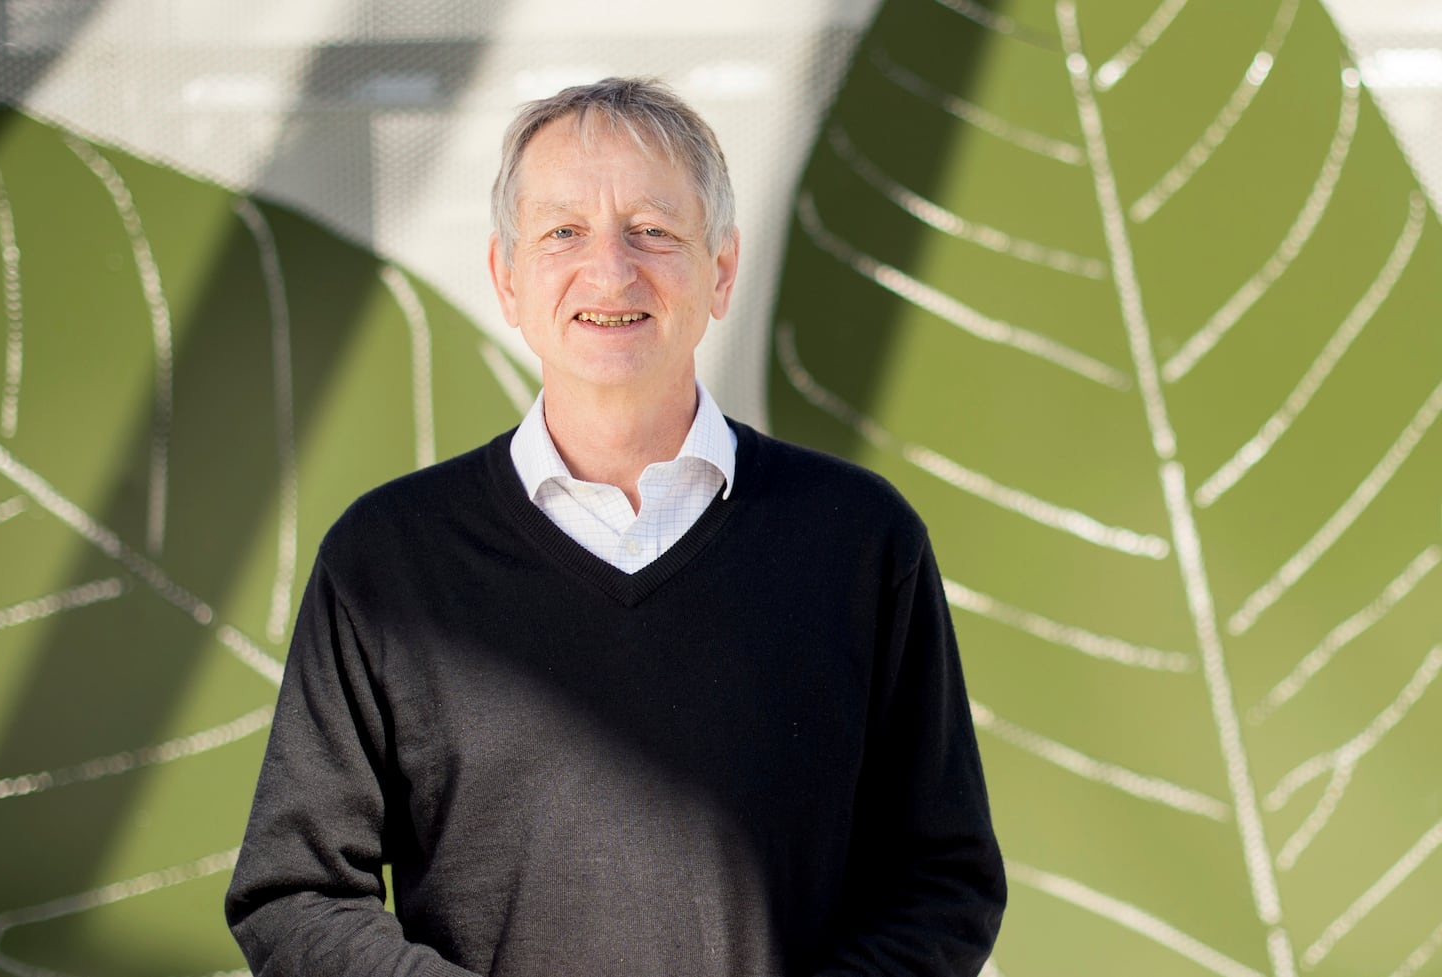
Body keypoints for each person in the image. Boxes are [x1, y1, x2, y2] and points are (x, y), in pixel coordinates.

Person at [224, 76, 1005, 977]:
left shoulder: (862, 544)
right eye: (563, 232)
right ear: (506, 278)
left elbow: (944, 880)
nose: (610, 270)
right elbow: (294, 893)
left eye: (653, 231)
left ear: (720, 270)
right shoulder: (386, 561)